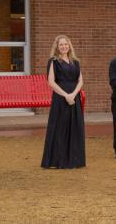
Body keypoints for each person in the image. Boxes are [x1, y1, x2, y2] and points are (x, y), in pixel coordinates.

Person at [41, 35, 86, 169]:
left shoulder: (75, 61)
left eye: (66, 44)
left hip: (74, 97)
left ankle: (74, 160)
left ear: (69, 46)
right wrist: (66, 95)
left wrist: (73, 94)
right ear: (57, 47)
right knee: (60, 129)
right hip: (61, 98)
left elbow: (80, 81)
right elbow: (51, 82)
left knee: (74, 128)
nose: (64, 47)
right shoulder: (53, 61)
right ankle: (59, 160)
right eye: (61, 45)